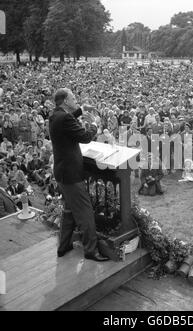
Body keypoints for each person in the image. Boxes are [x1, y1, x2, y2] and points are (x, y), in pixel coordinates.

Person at [49, 88, 109, 262]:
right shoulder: (65, 118)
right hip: (71, 174)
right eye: (74, 98)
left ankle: (64, 245)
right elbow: (84, 136)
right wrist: (95, 124)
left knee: (69, 211)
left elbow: (69, 118)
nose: (76, 100)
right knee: (85, 213)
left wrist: (83, 109)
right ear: (66, 101)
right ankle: (91, 250)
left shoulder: (55, 115)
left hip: (62, 172)